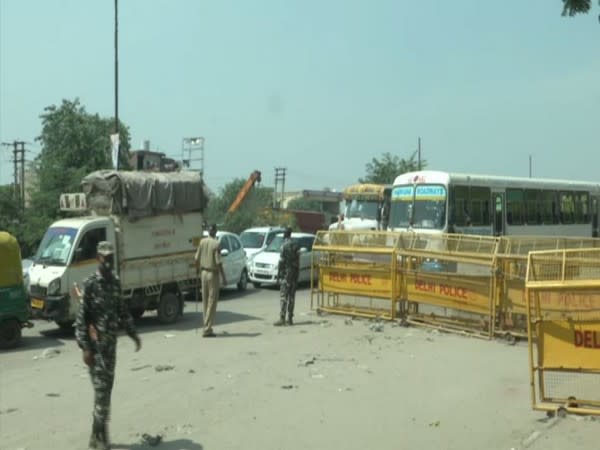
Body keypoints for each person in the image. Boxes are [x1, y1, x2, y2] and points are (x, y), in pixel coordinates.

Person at [74, 241, 141, 450]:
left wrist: (132, 334)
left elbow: (122, 310)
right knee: (102, 394)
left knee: (105, 393)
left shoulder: (115, 283)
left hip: (111, 347)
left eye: (111, 257)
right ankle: (100, 441)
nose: (108, 261)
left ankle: (97, 437)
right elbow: (81, 318)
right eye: (105, 257)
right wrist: (85, 347)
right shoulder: (91, 284)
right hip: (96, 348)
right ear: (98, 259)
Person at [194, 224, 227, 337]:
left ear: (208, 231)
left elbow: (196, 259)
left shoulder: (202, 242)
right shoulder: (216, 244)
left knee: (205, 301)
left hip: (203, 273)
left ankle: (206, 326)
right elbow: (218, 262)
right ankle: (207, 329)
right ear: (215, 231)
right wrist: (224, 277)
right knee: (212, 302)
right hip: (212, 274)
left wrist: (197, 271)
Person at [274, 227, 300, 326]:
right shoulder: (296, 245)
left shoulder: (284, 246)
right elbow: (298, 261)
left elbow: (281, 262)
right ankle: (290, 319)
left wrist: (278, 275)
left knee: (284, 296)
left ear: (285, 234)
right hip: (294, 274)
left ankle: (282, 318)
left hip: (286, 274)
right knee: (292, 297)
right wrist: (297, 273)